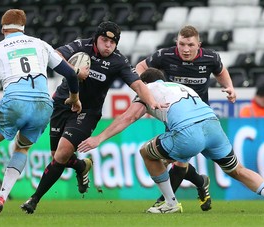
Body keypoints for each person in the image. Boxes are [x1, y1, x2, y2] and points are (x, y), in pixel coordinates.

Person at [78, 68, 264, 213]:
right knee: (238, 169)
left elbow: (130, 117)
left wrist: (99, 137)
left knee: (147, 152)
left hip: (188, 132)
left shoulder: (148, 89)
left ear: (144, 83)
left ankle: (171, 204)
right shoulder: (181, 87)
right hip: (213, 126)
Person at [0, 9, 84, 216]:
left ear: (3, 29)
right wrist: (74, 97)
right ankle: (1, 196)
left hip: (15, 102)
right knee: (21, 149)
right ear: (23, 27)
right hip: (43, 105)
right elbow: (71, 74)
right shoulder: (41, 44)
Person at [20, 21, 161, 214]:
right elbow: (55, 56)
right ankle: (81, 165)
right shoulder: (81, 46)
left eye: (113, 42)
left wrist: (152, 102)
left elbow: (137, 84)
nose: (108, 45)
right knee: (57, 157)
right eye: (104, 40)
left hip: (87, 112)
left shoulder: (118, 61)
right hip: (63, 103)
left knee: (61, 153)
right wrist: (74, 70)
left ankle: (34, 200)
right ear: (96, 38)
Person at [135, 25, 237, 211]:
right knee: (175, 161)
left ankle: (166, 202)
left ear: (199, 44)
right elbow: (140, 67)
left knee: (179, 162)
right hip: (174, 113)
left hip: (198, 116)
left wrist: (229, 86)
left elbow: (220, 71)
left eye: (190, 44)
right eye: (182, 44)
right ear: (177, 43)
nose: (185, 49)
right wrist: (145, 93)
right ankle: (200, 182)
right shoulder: (164, 55)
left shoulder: (210, 58)